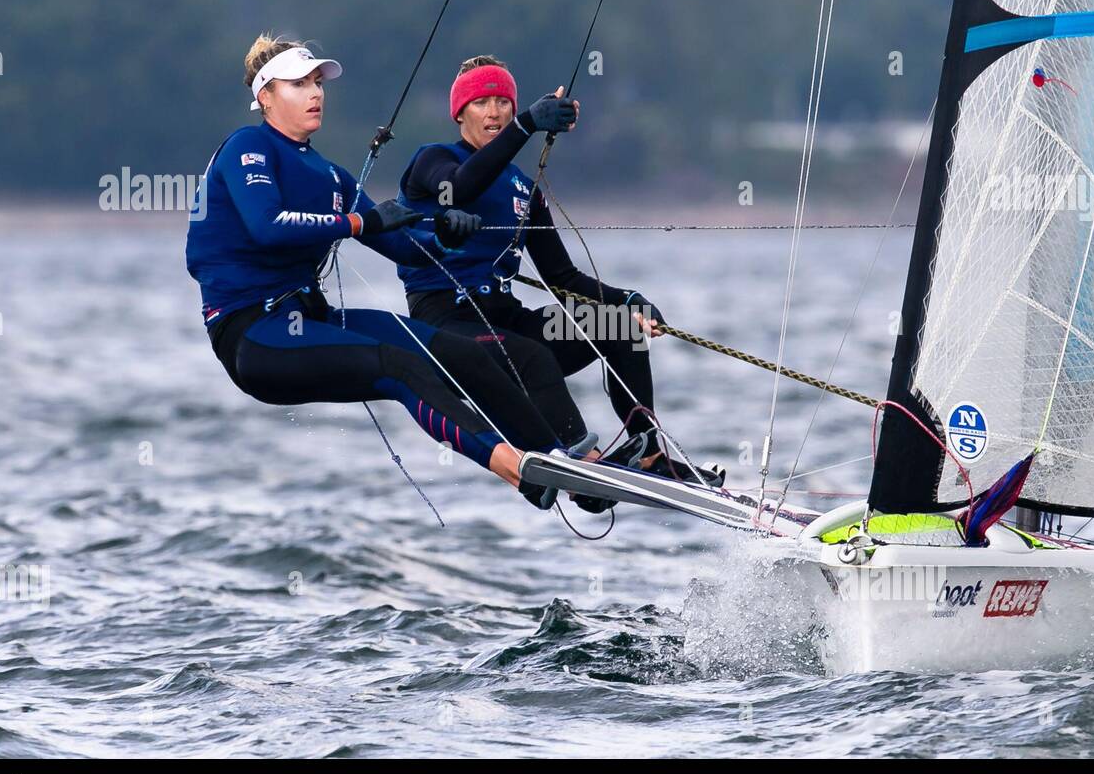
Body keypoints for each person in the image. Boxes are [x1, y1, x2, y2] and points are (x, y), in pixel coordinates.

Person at [185, 35, 576, 510]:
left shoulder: (333, 177)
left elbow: (405, 249)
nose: (315, 93)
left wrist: (444, 238)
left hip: (312, 320)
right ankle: (521, 471)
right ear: (265, 96)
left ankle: (560, 459)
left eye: (317, 82)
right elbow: (267, 227)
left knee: (462, 356)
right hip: (254, 336)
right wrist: (356, 221)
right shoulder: (247, 147)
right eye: (298, 84)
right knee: (400, 366)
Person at [394, 55, 721, 495]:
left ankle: (648, 454)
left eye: (503, 102)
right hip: (446, 325)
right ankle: (580, 464)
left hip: (504, 318)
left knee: (620, 329)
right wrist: (526, 124)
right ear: (460, 113)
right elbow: (462, 186)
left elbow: (562, 277)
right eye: (481, 102)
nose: (493, 112)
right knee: (532, 355)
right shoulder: (432, 161)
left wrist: (627, 300)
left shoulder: (522, 190)